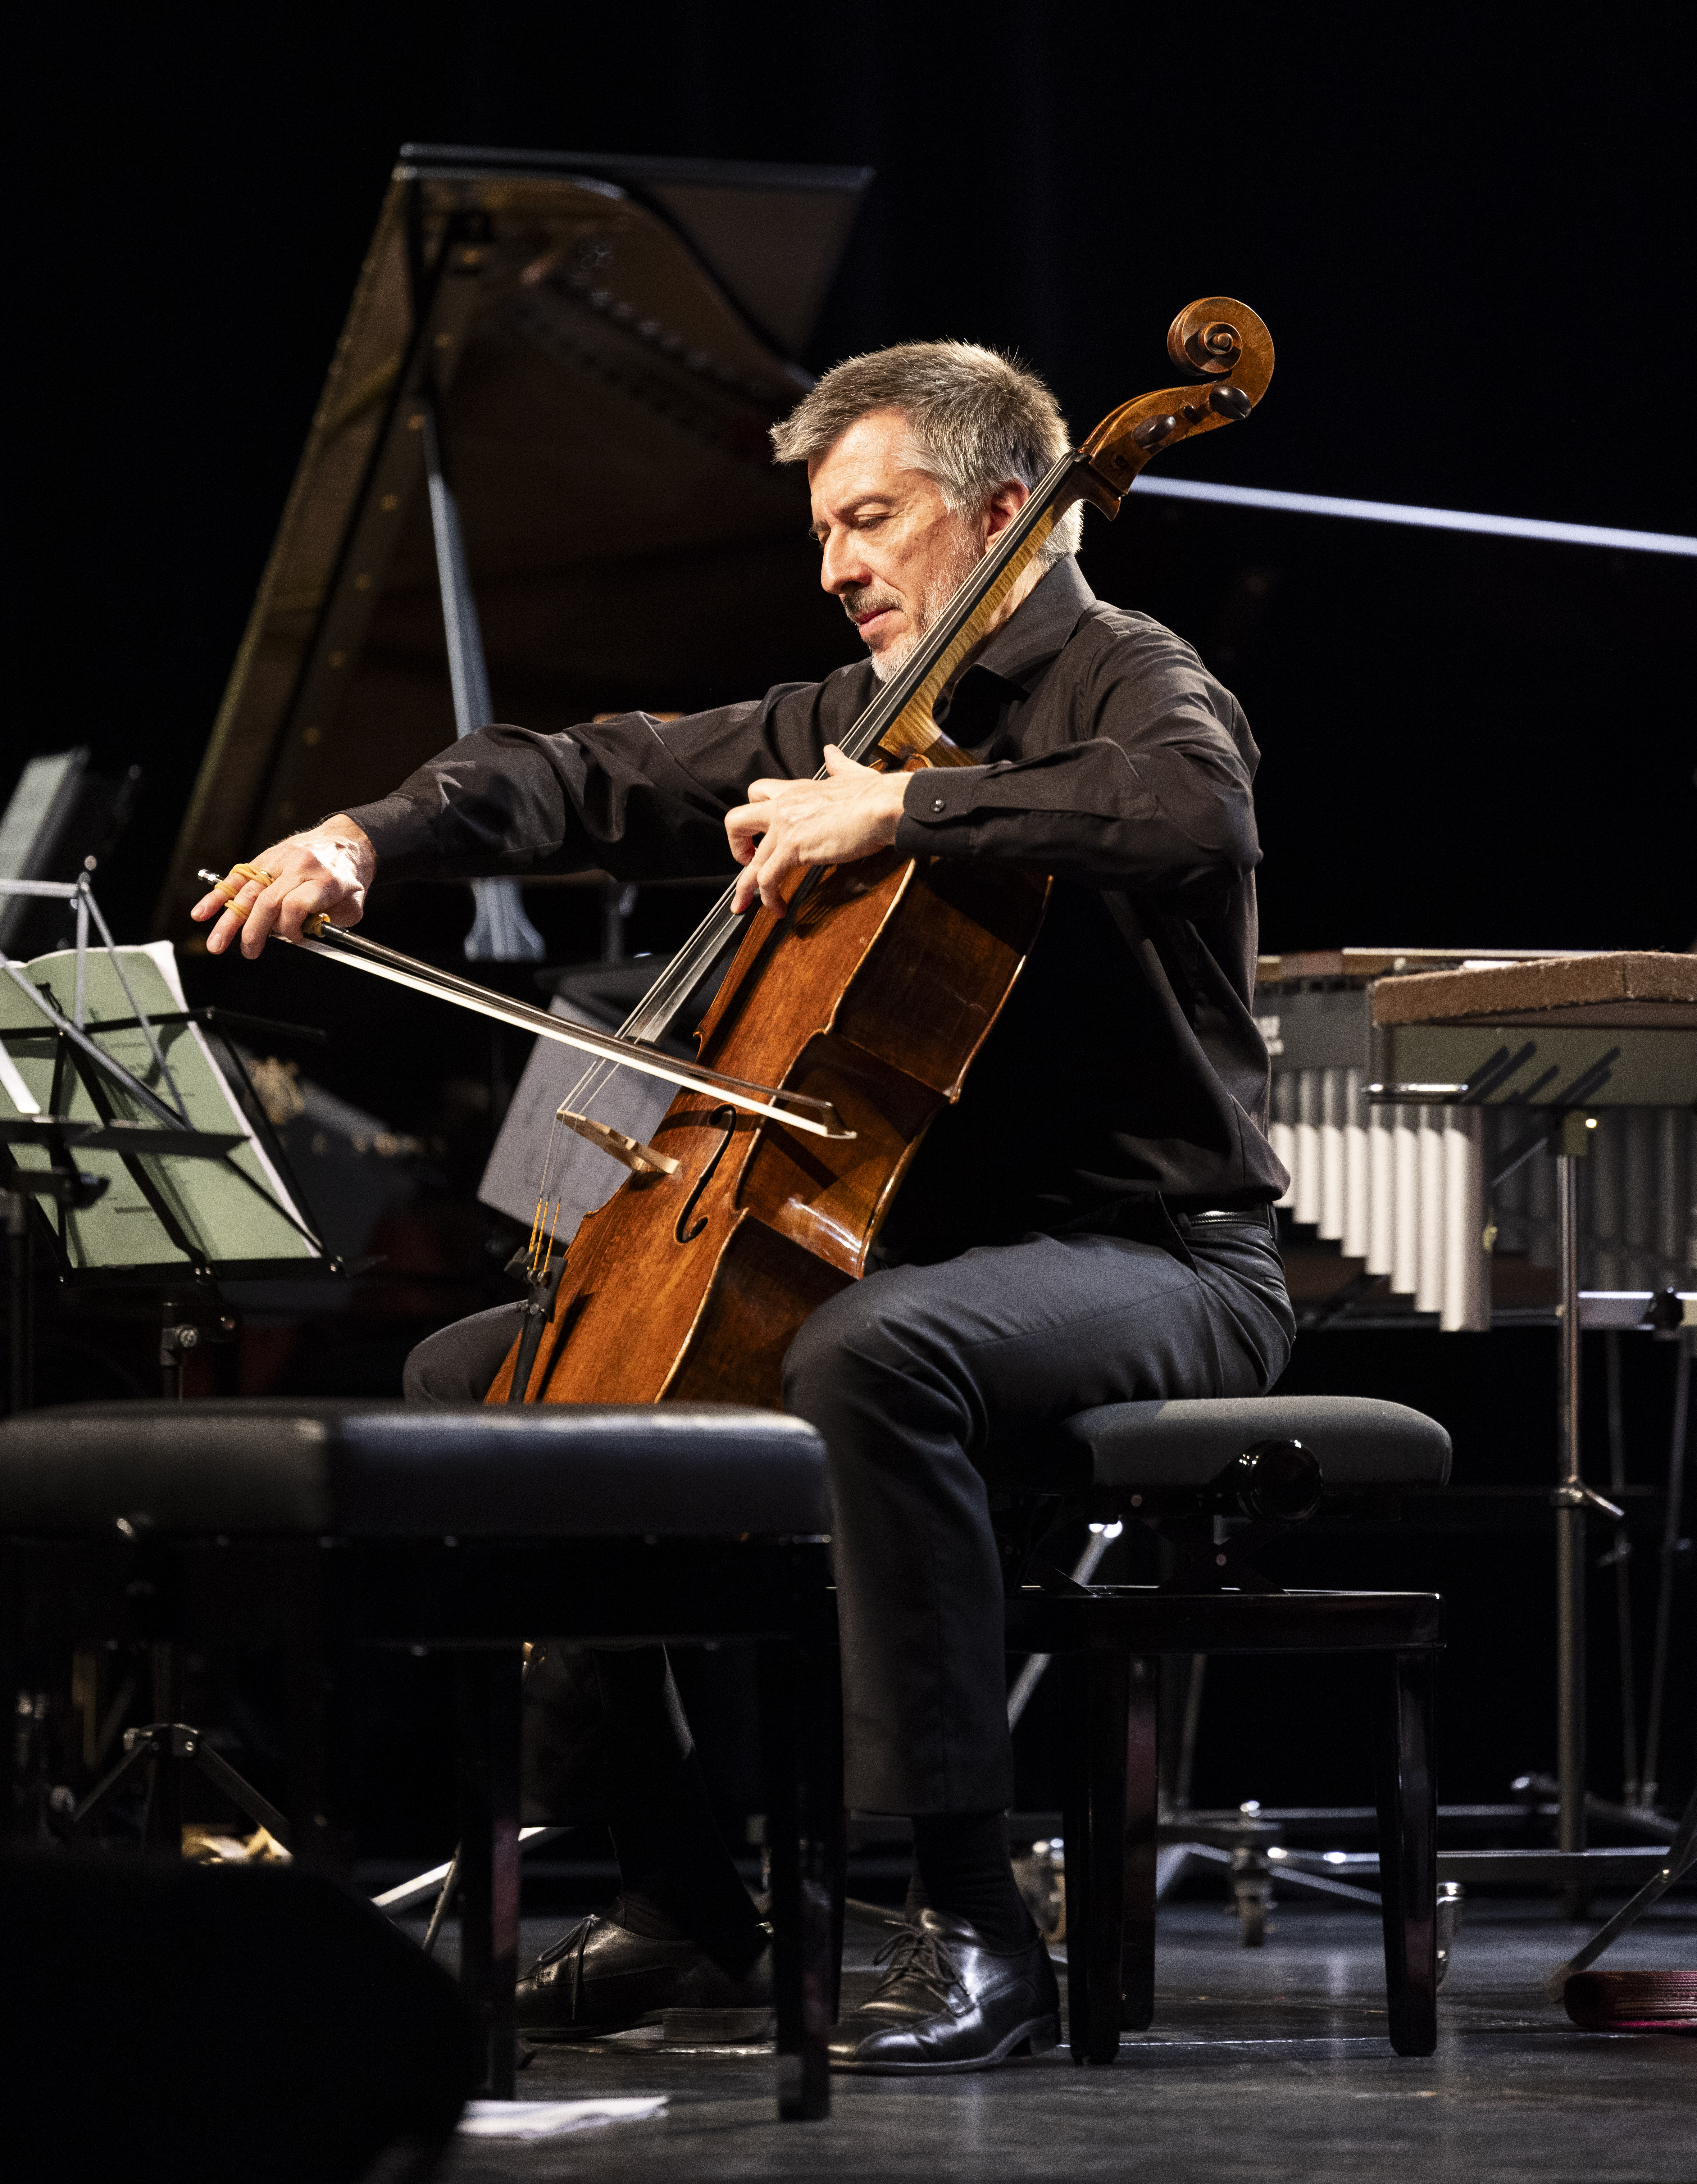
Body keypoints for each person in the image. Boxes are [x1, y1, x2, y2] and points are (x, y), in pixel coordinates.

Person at [193, 341, 1294, 2073]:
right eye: (821, 529)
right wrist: (367, 837)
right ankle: (677, 1902)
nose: (833, 563)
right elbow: (590, 766)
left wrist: (907, 810)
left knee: (871, 1353)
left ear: (1003, 514)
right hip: (917, 1255)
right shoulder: (841, 719)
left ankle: (967, 1920)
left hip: (1156, 1256)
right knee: (479, 1383)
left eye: (869, 519)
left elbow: (1189, 812)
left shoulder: (1129, 681)